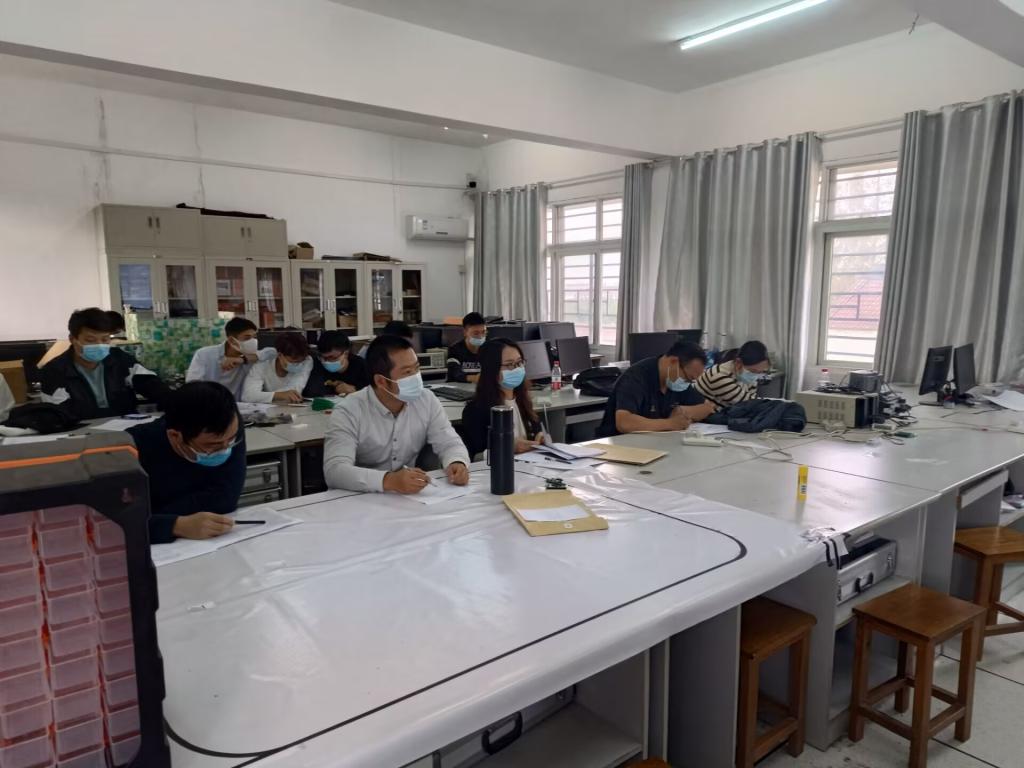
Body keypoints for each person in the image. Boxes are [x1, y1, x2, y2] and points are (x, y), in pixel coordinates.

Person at [323, 335, 470, 494]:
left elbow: (449, 442)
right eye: (407, 372)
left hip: (407, 496)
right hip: (358, 495)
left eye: (417, 368)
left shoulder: (426, 400)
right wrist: (389, 480)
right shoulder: (348, 411)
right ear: (381, 381)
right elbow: (335, 471)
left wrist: (457, 461)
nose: (416, 377)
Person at [127, 381, 244, 544]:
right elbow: (118, 522)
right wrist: (176, 525)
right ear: (175, 436)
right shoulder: (132, 448)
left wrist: (157, 516)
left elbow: (226, 498)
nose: (225, 448)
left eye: (231, 440)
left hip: (212, 540)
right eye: (212, 445)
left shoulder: (227, 429)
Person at [40, 307, 168, 420]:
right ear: (73, 339)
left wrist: (172, 401)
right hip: (82, 433)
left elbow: (152, 385)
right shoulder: (54, 371)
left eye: (105, 339)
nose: (99, 345)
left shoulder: (119, 359)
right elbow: (61, 414)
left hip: (127, 428)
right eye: (90, 340)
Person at [597, 340, 716, 436]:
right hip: (619, 445)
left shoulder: (676, 381)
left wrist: (683, 410)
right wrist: (670, 423)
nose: (687, 383)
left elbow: (707, 407)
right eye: (688, 378)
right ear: (673, 362)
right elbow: (624, 423)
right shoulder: (636, 377)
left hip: (655, 442)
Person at [460, 338, 544, 459]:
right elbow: (475, 457)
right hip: (499, 468)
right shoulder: (475, 411)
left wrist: (540, 438)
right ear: (491, 370)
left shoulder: (523, 401)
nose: (517, 369)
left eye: (519, 362)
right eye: (509, 365)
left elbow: (534, 435)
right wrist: (508, 448)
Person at [186, 317, 276, 400]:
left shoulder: (252, 356)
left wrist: (242, 359)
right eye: (247, 338)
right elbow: (193, 385)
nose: (253, 341)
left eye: (255, 337)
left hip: (239, 405)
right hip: (209, 403)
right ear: (232, 340)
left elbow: (273, 352)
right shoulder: (205, 354)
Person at [241, 332, 313, 404]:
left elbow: (295, 389)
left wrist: (264, 396)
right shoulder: (262, 364)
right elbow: (248, 396)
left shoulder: (307, 361)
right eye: (294, 361)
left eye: (301, 361)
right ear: (280, 355)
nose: (298, 365)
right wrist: (278, 395)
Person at [696, 340, 770, 409]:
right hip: (703, 415)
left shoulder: (745, 375)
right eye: (753, 371)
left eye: (760, 372)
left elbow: (752, 402)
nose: (755, 376)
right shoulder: (719, 376)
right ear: (738, 362)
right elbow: (748, 404)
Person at [304, 331, 369, 397]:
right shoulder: (316, 364)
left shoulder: (361, 365)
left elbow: (371, 391)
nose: (327, 362)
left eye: (332, 357)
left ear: (346, 353)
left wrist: (355, 389)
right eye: (323, 358)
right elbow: (310, 391)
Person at [446, 312, 488, 383]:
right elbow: (455, 374)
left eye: (483, 332)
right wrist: (475, 378)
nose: (481, 336)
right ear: (465, 332)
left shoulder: (489, 349)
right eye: (476, 333)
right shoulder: (455, 350)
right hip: (458, 387)